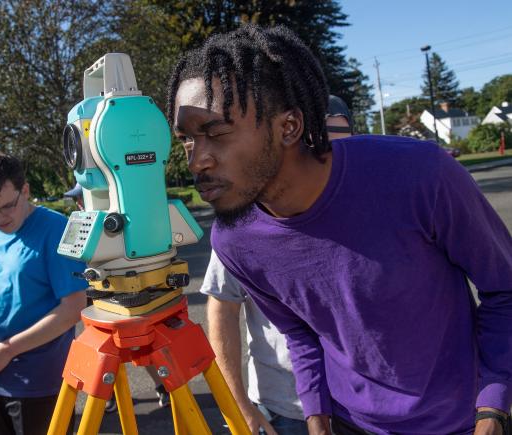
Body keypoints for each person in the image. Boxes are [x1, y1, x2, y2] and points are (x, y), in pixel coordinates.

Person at [167, 25, 512, 434]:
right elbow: (298, 330)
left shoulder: (420, 175)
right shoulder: (234, 239)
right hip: (350, 423)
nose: (197, 161)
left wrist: (493, 407)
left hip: (464, 421)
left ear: (289, 127)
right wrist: (316, 413)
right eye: (187, 140)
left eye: (216, 132)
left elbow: (504, 289)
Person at [200, 100, 353, 435]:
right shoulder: (245, 222)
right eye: (314, 141)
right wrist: (240, 407)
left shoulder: (368, 211)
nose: (325, 152)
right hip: (287, 410)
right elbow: (222, 310)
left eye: (339, 136)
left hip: (372, 410)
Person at [0, 151, 87, 435]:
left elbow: (73, 307)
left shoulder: (56, 228)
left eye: (6, 206)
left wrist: (8, 349)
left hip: (40, 381)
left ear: (25, 190)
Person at [62, 181, 170, 412]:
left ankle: (163, 385)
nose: (80, 204)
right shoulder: (83, 223)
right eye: (78, 199)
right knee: (104, 349)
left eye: (83, 197)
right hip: (97, 293)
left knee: (140, 345)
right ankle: (105, 394)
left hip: (125, 293)